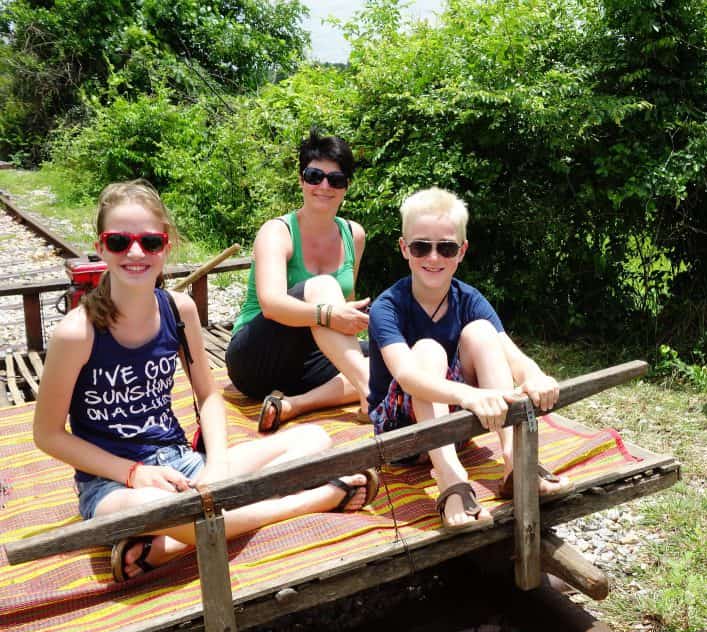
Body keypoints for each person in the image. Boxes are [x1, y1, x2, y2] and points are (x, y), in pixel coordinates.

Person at [33, 180, 379, 582]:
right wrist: (132, 473)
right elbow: (48, 434)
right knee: (155, 509)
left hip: (183, 465)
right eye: (118, 241)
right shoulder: (78, 333)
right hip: (115, 485)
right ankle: (317, 499)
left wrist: (214, 466)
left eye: (150, 241)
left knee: (314, 440)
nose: (135, 253)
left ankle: (168, 546)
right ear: (101, 245)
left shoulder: (179, 311)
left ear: (167, 245)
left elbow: (208, 396)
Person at [367, 187, 573, 532]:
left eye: (445, 247)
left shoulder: (469, 299)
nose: (433, 257)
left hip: (456, 426)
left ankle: (514, 462)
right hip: (401, 434)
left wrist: (535, 376)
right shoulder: (388, 306)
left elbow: (511, 353)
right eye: (421, 247)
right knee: (428, 350)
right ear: (405, 248)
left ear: (461, 251)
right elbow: (406, 376)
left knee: (481, 332)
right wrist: (469, 395)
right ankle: (450, 480)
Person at [226, 128, 371, 433]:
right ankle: (372, 392)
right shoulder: (278, 232)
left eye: (336, 179)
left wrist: (342, 318)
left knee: (391, 357)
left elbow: (340, 314)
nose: (324, 186)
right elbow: (272, 305)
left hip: (305, 362)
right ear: (301, 179)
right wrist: (330, 313)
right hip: (256, 358)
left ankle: (295, 405)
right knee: (321, 285)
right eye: (315, 175)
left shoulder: (354, 235)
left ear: (346, 187)